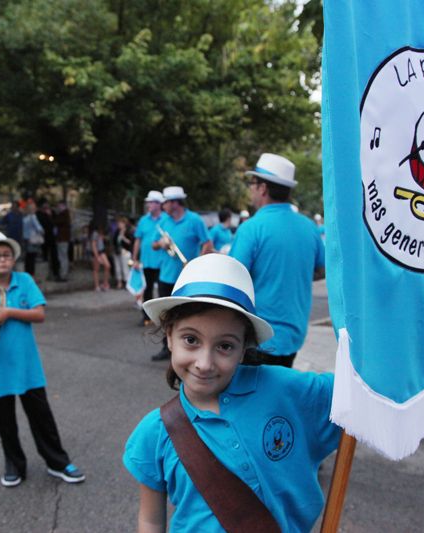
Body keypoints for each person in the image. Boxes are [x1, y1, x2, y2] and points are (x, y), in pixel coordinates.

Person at [123, 254, 340, 532]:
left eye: (225, 346)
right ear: (169, 336)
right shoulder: (154, 432)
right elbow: (151, 520)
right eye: (191, 340)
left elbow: (361, 394)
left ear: (244, 347)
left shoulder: (285, 389)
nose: (204, 363)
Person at [0, 230, 85, 487]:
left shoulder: (25, 280)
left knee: (41, 415)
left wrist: (8, 312)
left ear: (13, 258)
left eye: (6, 255)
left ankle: (58, 462)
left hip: (26, 362)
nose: (2, 261)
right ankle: (14, 464)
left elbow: (39, 314)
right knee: (4, 420)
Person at [230, 153, 325, 368]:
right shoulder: (309, 227)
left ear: (263, 188)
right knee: (280, 395)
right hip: (294, 334)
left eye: (252, 184)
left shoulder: (252, 228)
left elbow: (233, 278)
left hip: (258, 335)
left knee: (253, 399)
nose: (251, 190)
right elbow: (322, 270)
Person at [149, 186, 212, 360]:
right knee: (166, 315)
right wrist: (161, 243)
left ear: (175, 203)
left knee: (187, 315)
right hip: (165, 276)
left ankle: (188, 348)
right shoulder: (163, 222)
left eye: (166, 203)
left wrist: (196, 263)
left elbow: (207, 243)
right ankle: (166, 347)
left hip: (187, 278)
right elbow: (153, 245)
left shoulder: (195, 220)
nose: (163, 206)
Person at [132, 191, 167, 327]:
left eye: (151, 202)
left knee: (163, 291)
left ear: (159, 204)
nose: (148, 205)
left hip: (162, 262)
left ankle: (164, 317)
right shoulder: (143, 220)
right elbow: (137, 240)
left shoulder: (165, 220)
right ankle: (146, 316)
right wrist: (134, 258)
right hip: (146, 261)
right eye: (148, 202)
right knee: (147, 289)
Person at [37, 200, 59, 279]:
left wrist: (50, 216)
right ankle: (47, 274)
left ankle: (56, 273)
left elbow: (56, 223)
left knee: (54, 256)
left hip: (52, 238)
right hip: (44, 238)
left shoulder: (52, 213)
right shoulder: (39, 214)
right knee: (45, 256)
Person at [21, 203, 44, 276]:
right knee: (32, 258)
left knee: (27, 258)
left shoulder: (25, 217)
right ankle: (32, 275)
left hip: (25, 239)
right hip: (32, 240)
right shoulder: (33, 217)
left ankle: (27, 274)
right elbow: (39, 228)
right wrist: (42, 232)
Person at [112, 216, 134, 290]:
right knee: (118, 267)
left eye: (120, 223)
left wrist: (123, 238)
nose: (119, 225)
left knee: (125, 267)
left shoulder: (128, 231)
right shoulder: (117, 231)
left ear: (124, 224)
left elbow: (130, 242)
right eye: (118, 223)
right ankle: (119, 282)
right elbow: (114, 241)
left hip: (125, 252)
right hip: (117, 251)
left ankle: (127, 282)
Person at [88, 221, 111, 291]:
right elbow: (93, 245)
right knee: (96, 269)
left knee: (107, 266)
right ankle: (97, 285)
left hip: (101, 251)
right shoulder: (95, 233)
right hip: (98, 252)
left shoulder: (98, 233)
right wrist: (97, 256)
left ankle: (104, 283)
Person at [53, 201, 71, 282]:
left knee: (63, 257)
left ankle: (63, 275)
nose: (58, 207)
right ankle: (63, 274)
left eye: (59, 206)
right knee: (62, 257)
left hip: (62, 239)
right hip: (62, 238)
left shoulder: (64, 214)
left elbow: (56, 221)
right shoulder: (65, 214)